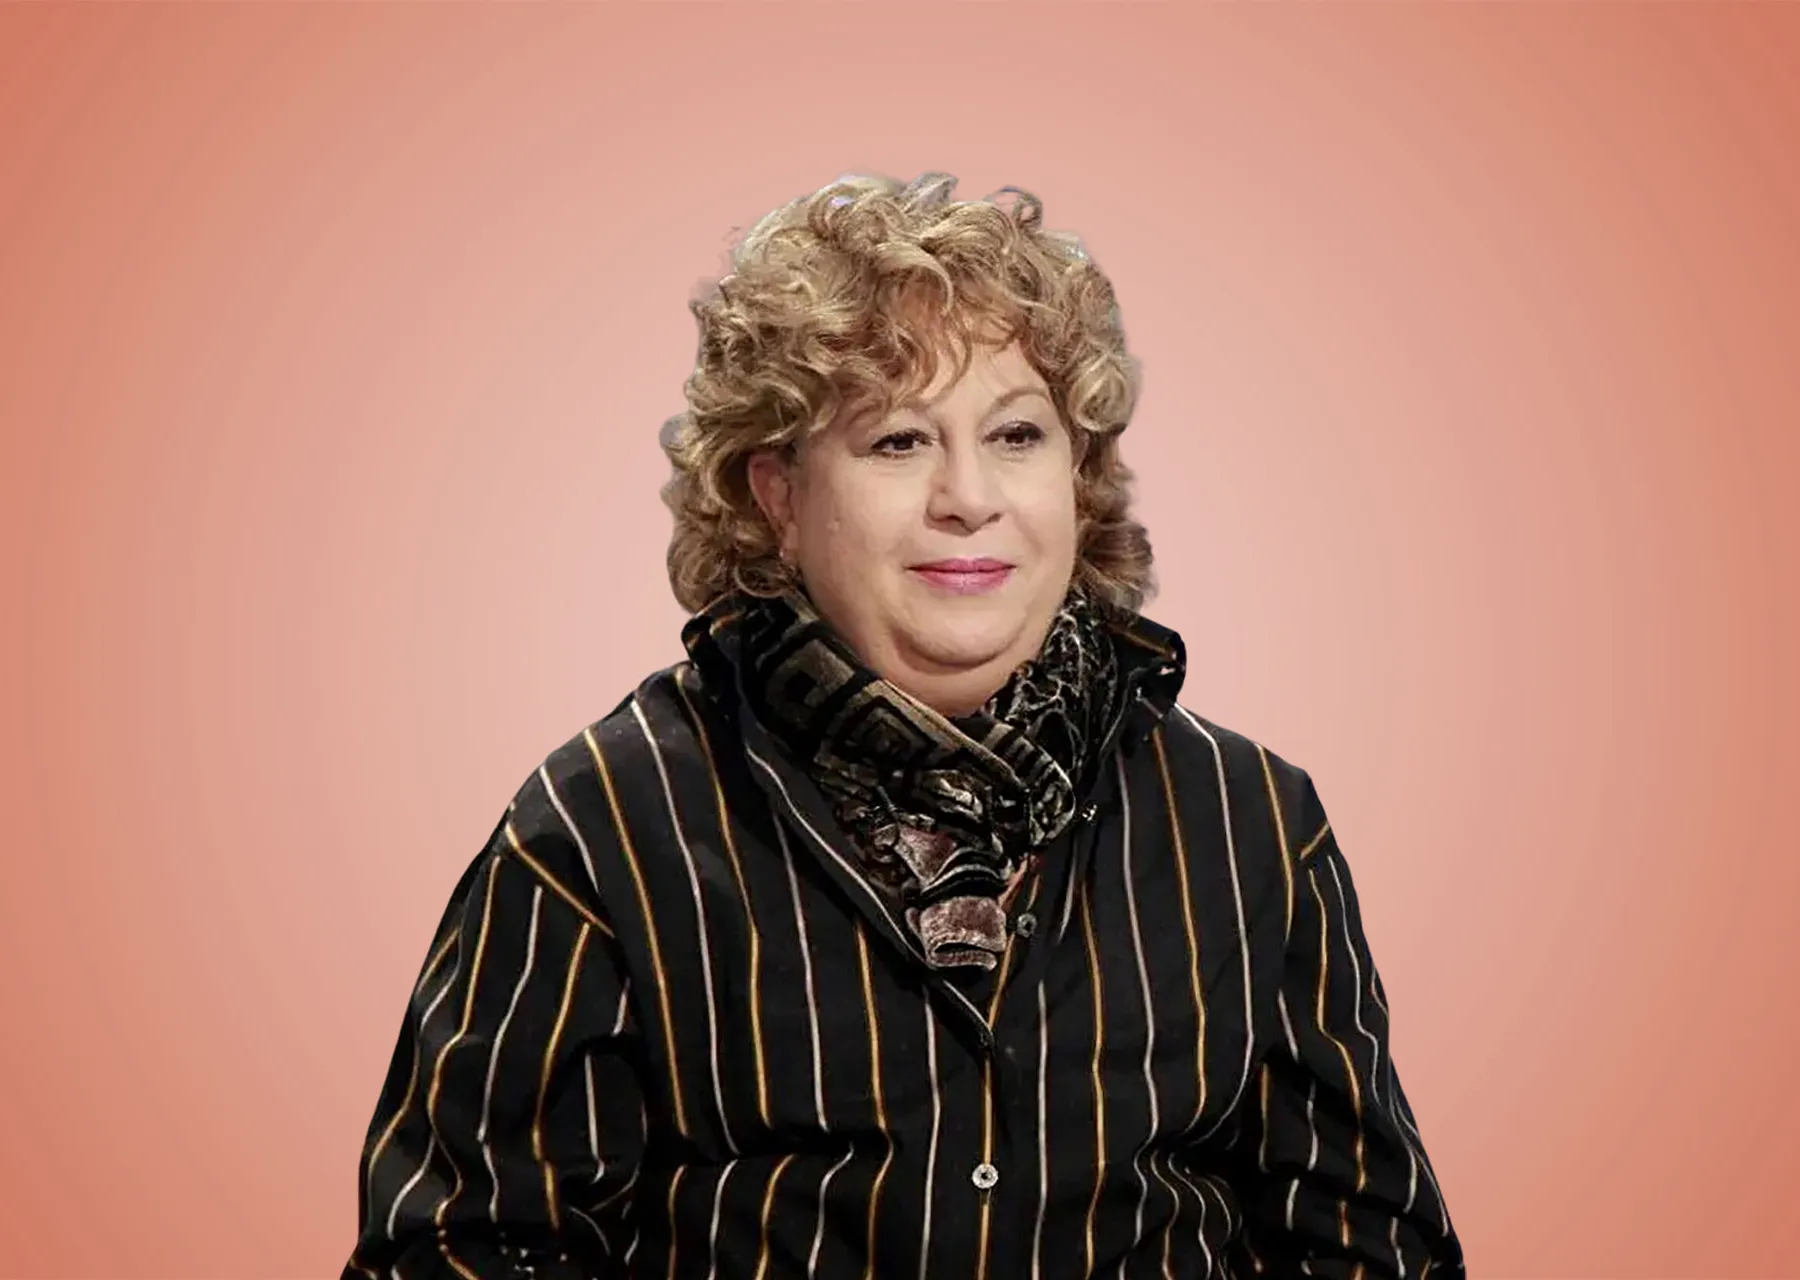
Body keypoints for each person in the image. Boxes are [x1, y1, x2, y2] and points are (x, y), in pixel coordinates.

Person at [342, 171, 1465, 1280]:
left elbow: (1373, 1249)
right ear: (779, 497)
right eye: (897, 442)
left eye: (1016, 435)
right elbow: (456, 1251)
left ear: (1077, 479)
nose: (968, 497)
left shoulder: (1250, 821)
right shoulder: (603, 827)